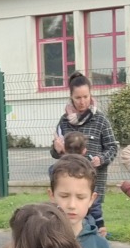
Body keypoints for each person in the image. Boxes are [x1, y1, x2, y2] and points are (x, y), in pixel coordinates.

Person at [49, 73, 118, 234]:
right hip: (68, 181)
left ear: (90, 95)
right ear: (71, 97)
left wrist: (101, 159)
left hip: (93, 180)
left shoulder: (100, 120)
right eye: (78, 97)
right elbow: (54, 153)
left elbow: (113, 148)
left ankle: (95, 243)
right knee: (69, 223)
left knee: (92, 221)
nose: (82, 101)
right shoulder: (64, 121)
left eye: (86, 96)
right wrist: (57, 149)